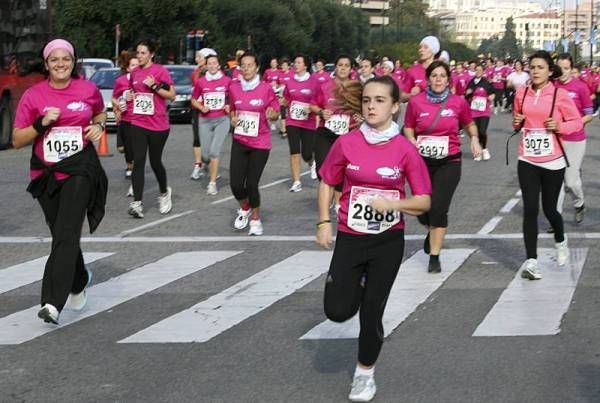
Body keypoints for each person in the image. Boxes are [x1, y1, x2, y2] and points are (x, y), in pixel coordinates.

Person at [316, 75, 431, 403]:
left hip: (386, 241)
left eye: (380, 100)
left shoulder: (405, 150)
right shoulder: (347, 142)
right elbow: (327, 181)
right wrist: (323, 221)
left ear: (395, 107)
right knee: (337, 311)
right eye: (367, 100)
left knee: (371, 312)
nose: (371, 106)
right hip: (351, 237)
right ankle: (357, 285)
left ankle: (364, 375)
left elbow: (424, 201)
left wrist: (394, 204)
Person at [12, 38, 107, 324]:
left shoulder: (87, 89)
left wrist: (98, 126)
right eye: (55, 60)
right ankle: (78, 279)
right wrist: (41, 124)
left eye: (66, 59)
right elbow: (16, 139)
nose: (61, 64)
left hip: (80, 168)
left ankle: (52, 302)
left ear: (73, 62)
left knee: (66, 231)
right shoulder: (34, 96)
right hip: (46, 173)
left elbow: (100, 111)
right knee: (62, 233)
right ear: (46, 65)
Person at [404, 60, 481, 273]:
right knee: (422, 209)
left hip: (449, 160)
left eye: (442, 76)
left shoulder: (458, 102)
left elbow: (469, 123)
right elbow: (409, 126)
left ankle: (435, 256)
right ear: (428, 79)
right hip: (421, 162)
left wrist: (474, 139)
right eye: (434, 76)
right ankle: (431, 228)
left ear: (448, 80)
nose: (438, 79)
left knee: (438, 207)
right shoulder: (416, 102)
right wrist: (410, 140)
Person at [512, 50, 583, 280]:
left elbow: (576, 123)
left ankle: (561, 241)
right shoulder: (521, 93)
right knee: (530, 209)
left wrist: (559, 126)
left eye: (540, 67)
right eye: (532, 67)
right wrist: (517, 122)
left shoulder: (559, 95)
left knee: (550, 209)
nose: (535, 71)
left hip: (553, 160)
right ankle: (531, 261)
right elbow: (517, 120)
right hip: (528, 158)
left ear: (550, 71)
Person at [228, 51, 280, 235]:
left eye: (250, 65)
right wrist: (232, 118)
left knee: (251, 184)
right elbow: (232, 109)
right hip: (240, 140)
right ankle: (245, 206)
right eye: (243, 65)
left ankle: (256, 220)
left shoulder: (266, 88)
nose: (246, 68)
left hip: (260, 142)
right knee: (235, 185)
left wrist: (272, 114)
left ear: (257, 67)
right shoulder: (234, 87)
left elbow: (275, 111)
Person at [127, 39, 175, 218]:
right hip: (138, 122)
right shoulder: (134, 72)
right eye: (137, 53)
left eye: (143, 53)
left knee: (155, 162)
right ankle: (137, 203)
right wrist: (130, 96)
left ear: (151, 54)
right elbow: (133, 91)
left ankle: (164, 192)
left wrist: (154, 86)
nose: (139, 56)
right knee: (138, 160)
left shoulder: (160, 71)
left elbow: (172, 95)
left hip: (158, 125)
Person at [311, 55, 362, 211]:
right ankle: (331, 194)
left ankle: (339, 202)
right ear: (336, 67)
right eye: (340, 65)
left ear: (351, 69)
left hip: (346, 135)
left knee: (343, 169)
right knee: (322, 170)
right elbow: (313, 105)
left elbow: (365, 107)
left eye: (347, 65)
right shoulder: (325, 86)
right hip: (325, 133)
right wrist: (321, 112)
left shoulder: (357, 88)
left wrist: (361, 117)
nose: (343, 68)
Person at [552, 53, 592, 225]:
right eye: (560, 68)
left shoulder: (580, 87)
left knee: (571, 180)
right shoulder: (552, 87)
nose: (563, 71)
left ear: (572, 69)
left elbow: (589, 114)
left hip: (575, 139)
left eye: (567, 68)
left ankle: (579, 203)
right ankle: (556, 219)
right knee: (556, 180)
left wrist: (574, 124)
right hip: (556, 139)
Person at [191, 54, 231, 195]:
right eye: (210, 64)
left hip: (222, 120)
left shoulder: (227, 81)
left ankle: (212, 183)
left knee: (214, 151)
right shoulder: (201, 82)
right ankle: (209, 166)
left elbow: (234, 98)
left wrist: (228, 106)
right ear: (206, 66)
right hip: (205, 120)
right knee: (205, 156)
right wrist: (202, 108)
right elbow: (194, 100)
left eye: (215, 63)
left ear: (219, 65)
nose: (213, 66)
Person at [282, 54, 319, 192]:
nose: (295, 64)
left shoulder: (313, 82)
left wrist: (313, 108)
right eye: (294, 62)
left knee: (307, 153)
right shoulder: (290, 82)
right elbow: (286, 98)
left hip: (308, 122)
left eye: (298, 62)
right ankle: (297, 181)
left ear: (305, 65)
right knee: (294, 151)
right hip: (292, 121)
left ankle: (311, 161)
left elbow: (319, 100)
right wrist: (282, 102)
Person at [112, 51, 139, 197]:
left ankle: (135, 182)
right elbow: (114, 98)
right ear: (128, 68)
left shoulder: (144, 80)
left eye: (137, 65)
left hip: (141, 120)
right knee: (125, 149)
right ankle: (130, 166)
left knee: (138, 150)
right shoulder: (121, 81)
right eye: (133, 65)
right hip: (126, 119)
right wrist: (120, 102)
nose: (135, 68)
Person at [190, 48, 217, 180]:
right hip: (198, 109)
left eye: (199, 57)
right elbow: (196, 87)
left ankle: (212, 165)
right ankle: (198, 165)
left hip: (213, 111)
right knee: (197, 138)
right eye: (196, 57)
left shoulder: (215, 72)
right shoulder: (196, 72)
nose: (196, 59)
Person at [465, 64, 495, 161]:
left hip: (484, 111)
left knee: (482, 131)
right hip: (473, 111)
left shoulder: (486, 82)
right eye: (476, 70)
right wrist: (468, 93)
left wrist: (492, 97)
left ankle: (485, 149)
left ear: (483, 72)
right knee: (475, 133)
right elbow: (466, 95)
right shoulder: (471, 82)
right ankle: (477, 152)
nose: (478, 72)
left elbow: (492, 93)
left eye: (480, 70)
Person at [401, 36, 440, 101]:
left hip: (438, 109)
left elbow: (451, 94)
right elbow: (402, 96)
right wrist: (411, 95)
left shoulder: (442, 70)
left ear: (433, 50)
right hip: (419, 110)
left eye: (425, 47)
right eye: (420, 47)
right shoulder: (412, 70)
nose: (421, 50)